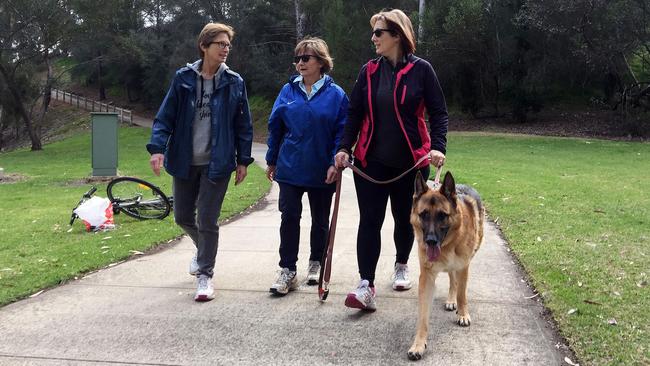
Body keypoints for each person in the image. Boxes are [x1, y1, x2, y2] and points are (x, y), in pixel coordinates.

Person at [334, 9, 448, 311]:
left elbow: (438, 112)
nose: (373, 38)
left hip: (411, 164)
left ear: (397, 35)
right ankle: (366, 285)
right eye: (374, 33)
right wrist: (345, 146)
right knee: (370, 221)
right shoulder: (368, 71)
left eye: (379, 33)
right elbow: (354, 112)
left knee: (403, 218)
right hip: (371, 162)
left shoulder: (422, 70)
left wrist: (437, 146)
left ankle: (401, 265)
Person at [146, 23, 254, 302]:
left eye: (228, 44)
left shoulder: (234, 81)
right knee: (182, 216)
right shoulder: (183, 79)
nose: (225, 48)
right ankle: (203, 249)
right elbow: (165, 117)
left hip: (217, 162)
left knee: (207, 218)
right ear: (204, 46)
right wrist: (157, 149)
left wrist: (243, 160)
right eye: (220, 43)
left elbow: (244, 125)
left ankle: (205, 274)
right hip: (184, 160)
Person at [266, 37, 348, 296]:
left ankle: (316, 263)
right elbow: (275, 126)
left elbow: (342, 132)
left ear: (321, 62)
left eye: (306, 58)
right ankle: (287, 269)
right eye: (298, 58)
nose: (300, 63)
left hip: (322, 169)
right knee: (289, 217)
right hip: (290, 167)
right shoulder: (287, 90)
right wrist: (271, 159)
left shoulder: (337, 95)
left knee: (320, 220)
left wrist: (336, 161)